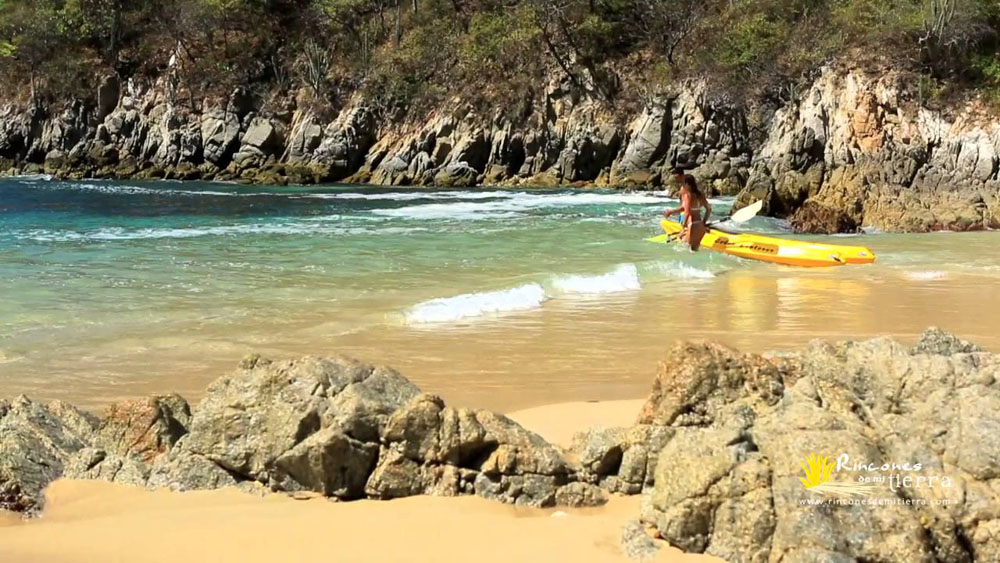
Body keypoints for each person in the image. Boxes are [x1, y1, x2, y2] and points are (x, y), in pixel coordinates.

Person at [663, 169, 712, 251]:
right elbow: (709, 209)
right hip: (700, 226)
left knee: (683, 249)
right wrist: (704, 222)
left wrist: (683, 229)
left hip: (692, 226)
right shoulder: (699, 195)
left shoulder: (688, 195)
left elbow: (687, 212)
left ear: (687, 184)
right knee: (694, 251)